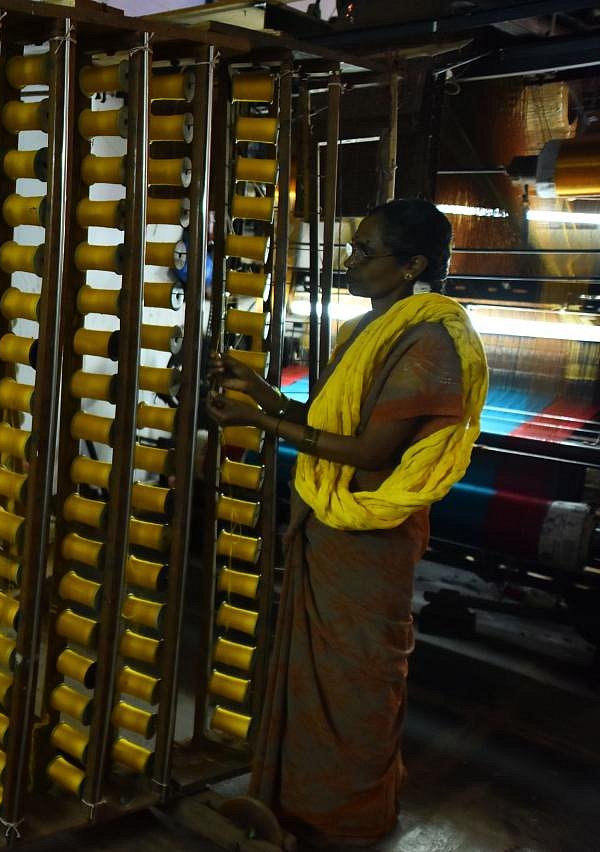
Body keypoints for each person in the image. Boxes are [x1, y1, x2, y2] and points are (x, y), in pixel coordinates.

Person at [206, 199, 488, 847]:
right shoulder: (367, 329)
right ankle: (302, 801)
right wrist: (261, 390)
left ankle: (351, 817)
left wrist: (262, 426)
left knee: (357, 675)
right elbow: (330, 422)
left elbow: (369, 452)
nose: (350, 262)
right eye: (352, 248)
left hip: (369, 538)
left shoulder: (431, 339)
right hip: (330, 526)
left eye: (365, 252)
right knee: (315, 670)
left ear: (413, 264)